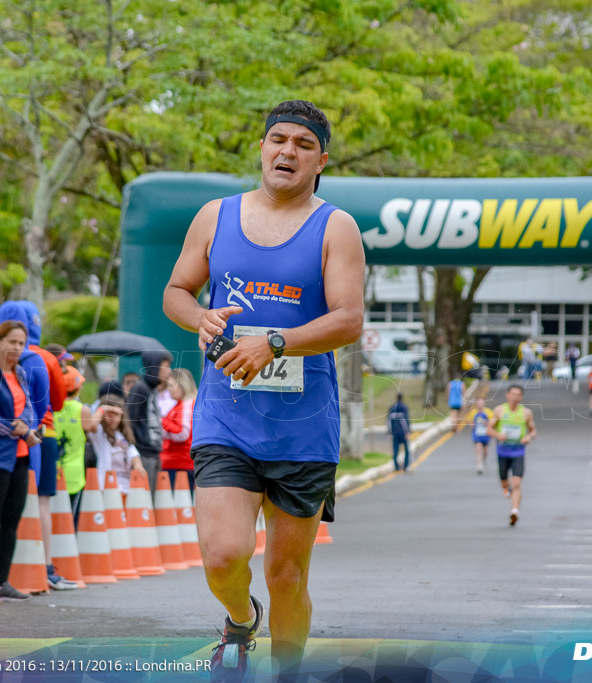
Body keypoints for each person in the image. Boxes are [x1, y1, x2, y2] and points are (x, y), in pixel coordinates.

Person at [162, 99, 364, 678]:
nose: (288, 151)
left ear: (320, 160)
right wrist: (196, 316)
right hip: (226, 420)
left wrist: (273, 343)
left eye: (303, 144)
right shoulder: (215, 216)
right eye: (279, 139)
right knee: (223, 556)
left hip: (303, 428)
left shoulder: (336, 227)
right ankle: (241, 618)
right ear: (262, 147)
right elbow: (177, 290)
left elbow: (349, 319)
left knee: (287, 576)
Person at [0, 301, 72, 590]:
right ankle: (45, 565)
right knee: (40, 499)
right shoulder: (44, 358)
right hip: (41, 433)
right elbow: (58, 400)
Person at [0, 321, 41, 601]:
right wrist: (18, 430)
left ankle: (2, 581)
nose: (16, 348)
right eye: (11, 342)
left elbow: (28, 409)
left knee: (11, 521)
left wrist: (25, 427)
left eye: (21, 343)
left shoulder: (22, 373)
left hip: (20, 457)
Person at [53, 366, 97, 527]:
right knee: (69, 521)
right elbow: (93, 427)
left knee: (53, 518)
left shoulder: (52, 407)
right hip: (73, 475)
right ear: (78, 387)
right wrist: (101, 410)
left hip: (53, 471)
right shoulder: (82, 410)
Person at [488, 385, 537, 527]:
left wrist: (529, 437)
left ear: (521, 397)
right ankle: (506, 487)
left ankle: (514, 511)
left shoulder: (526, 413)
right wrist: (499, 435)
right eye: (513, 394)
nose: (515, 397)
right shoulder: (499, 411)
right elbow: (489, 429)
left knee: (516, 483)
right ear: (507, 395)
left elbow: (533, 431)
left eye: (518, 395)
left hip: (518, 452)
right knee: (505, 483)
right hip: (503, 452)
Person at [126, 350, 172, 495]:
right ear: (154, 367)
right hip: (143, 453)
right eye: (165, 367)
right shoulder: (141, 389)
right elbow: (130, 420)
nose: (168, 371)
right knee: (143, 497)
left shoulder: (151, 389)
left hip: (153, 452)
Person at [85, 394, 143, 496]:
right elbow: (91, 425)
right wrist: (103, 408)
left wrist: (138, 465)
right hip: (106, 486)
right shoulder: (100, 433)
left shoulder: (122, 435)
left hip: (125, 486)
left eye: (116, 414)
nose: (113, 418)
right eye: (109, 414)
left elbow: (133, 454)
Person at [160, 368, 197, 494]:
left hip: (182, 464)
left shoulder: (187, 404)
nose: (168, 389)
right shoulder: (179, 405)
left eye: (171, 385)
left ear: (182, 385)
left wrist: (162, 422)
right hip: (176, 463)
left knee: (182, 508)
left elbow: (182, 434)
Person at [467, 397, 493, 475]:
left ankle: (484, 458)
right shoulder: (473, 412)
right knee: (478, 448)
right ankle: (479, 466)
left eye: (481, 403)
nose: (480, 404)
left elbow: (493, 423)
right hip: (477, 434)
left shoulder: (488, 412)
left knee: (485, 451)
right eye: (478, 403)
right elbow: (470, 421)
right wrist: (472, 424)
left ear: (484, 403)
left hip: (486, 434)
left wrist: (486, 423)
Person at [387, 393, 411, 473]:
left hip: (394, 433)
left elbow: (388, 421)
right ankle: (405, 466)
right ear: (402, 398)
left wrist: (390, 432)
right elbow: (406, 421)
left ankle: (396, 467)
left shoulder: (391, 408)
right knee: (407, 450)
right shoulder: (404, 407)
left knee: (395, 451)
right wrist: (407, 432)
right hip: (403, 433)